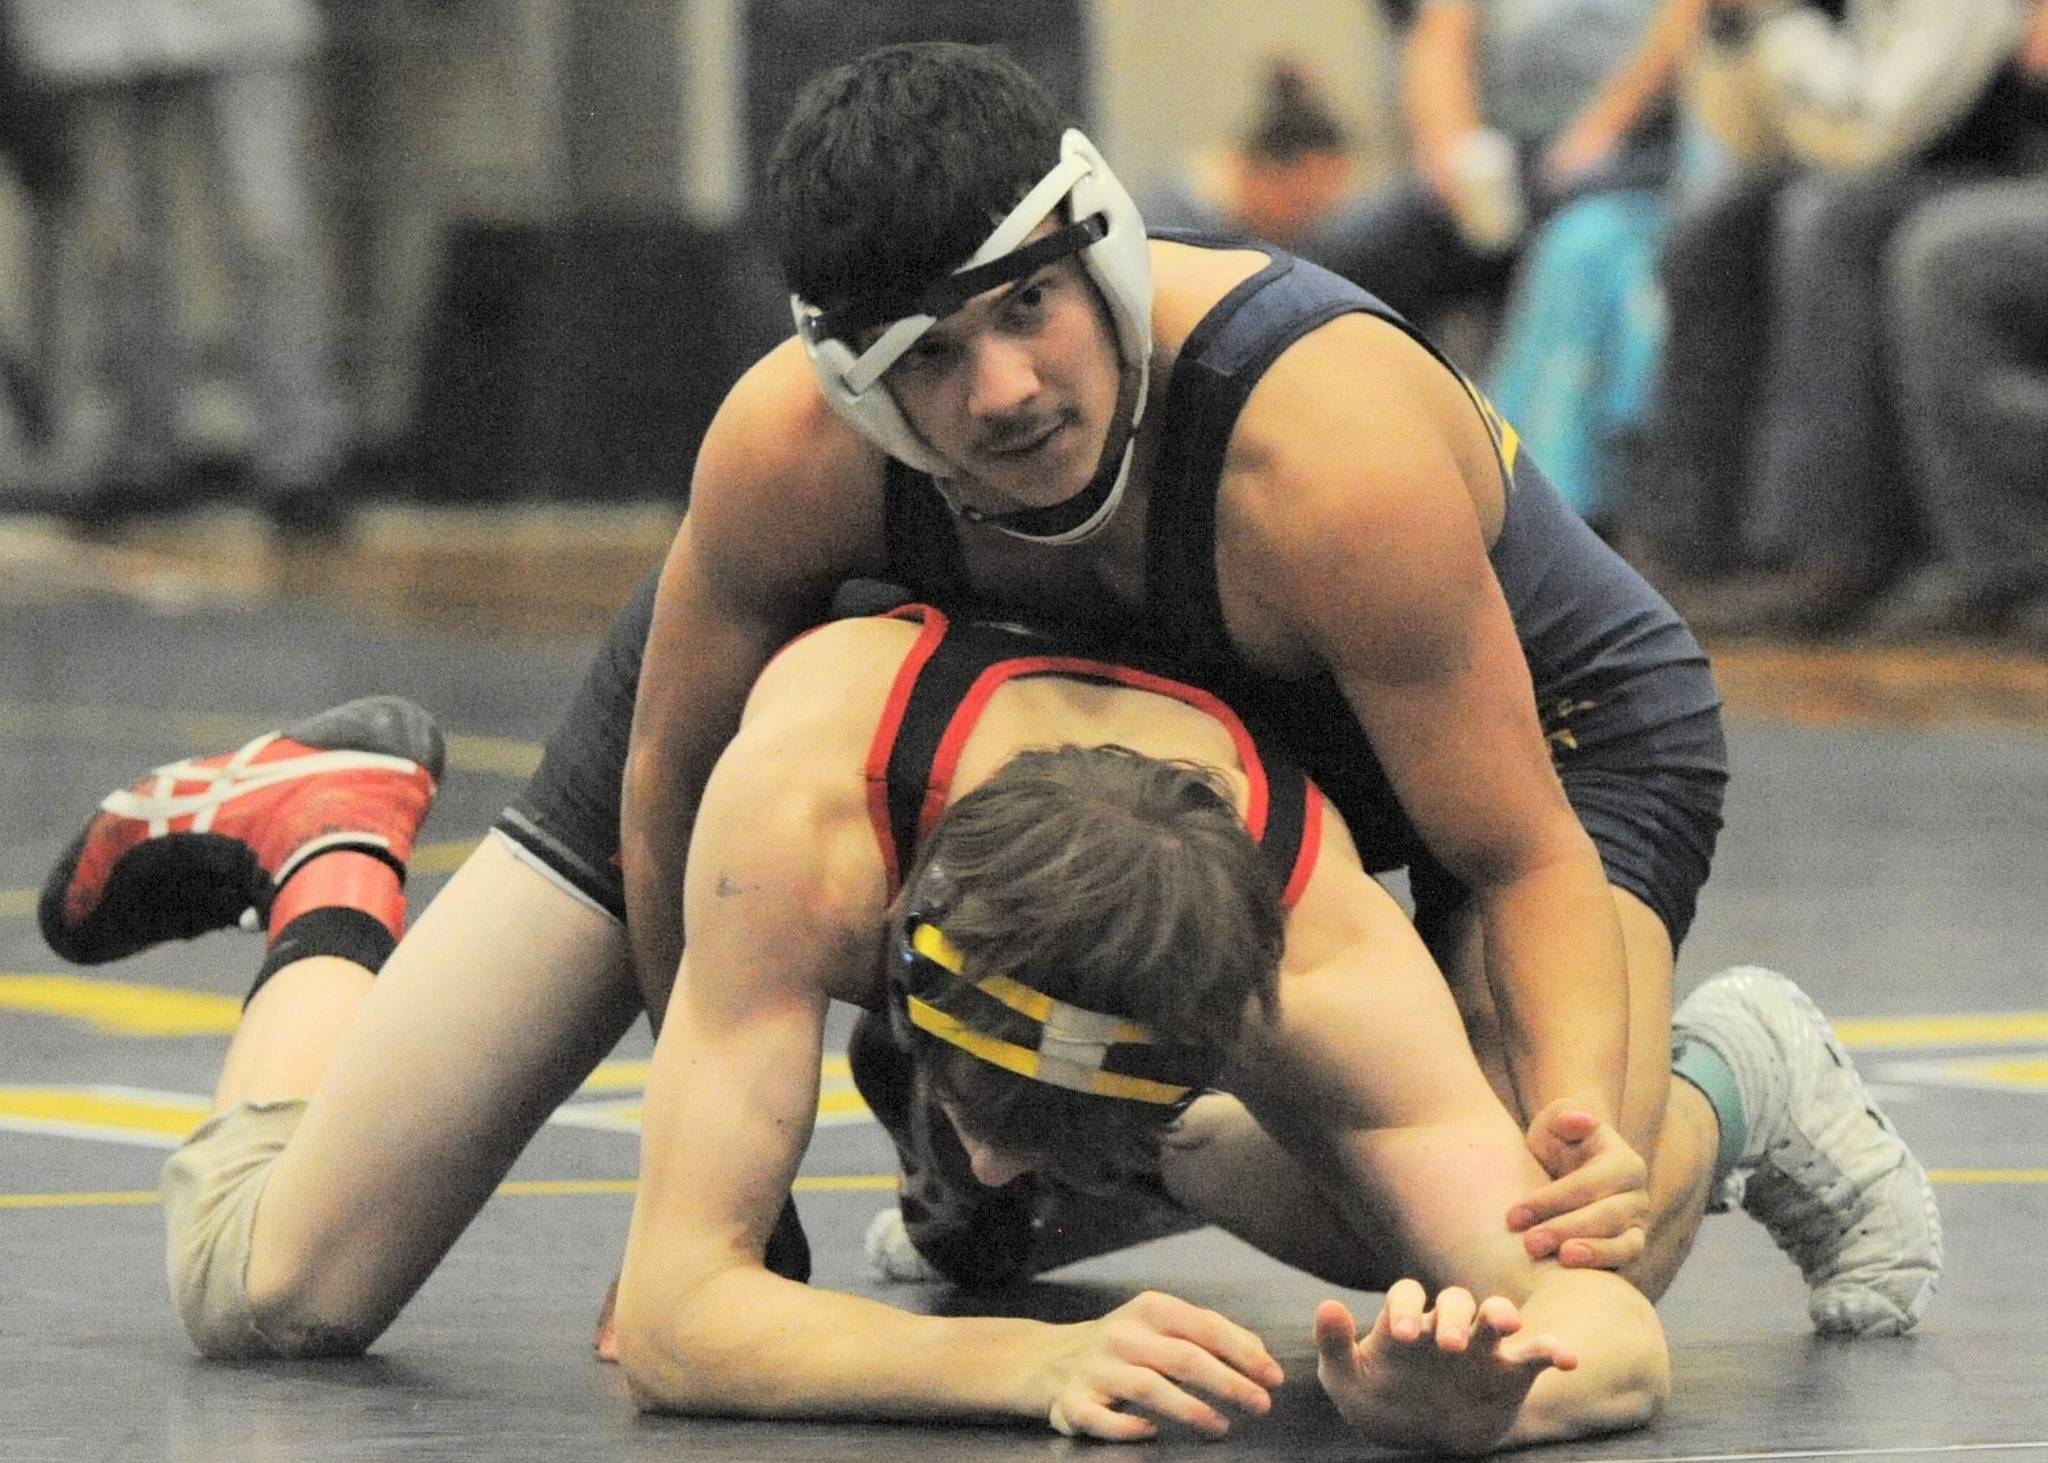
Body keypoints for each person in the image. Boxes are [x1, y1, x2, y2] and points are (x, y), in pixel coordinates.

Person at [41, 609, 1939, 1448]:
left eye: (1074, 1119)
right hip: (706, 753)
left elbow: (1598, 1329)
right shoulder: (802, 836)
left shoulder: (1318, 944)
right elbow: (681, 1318)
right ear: (908, 962)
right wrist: (1034, 1367)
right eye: (984, 1102)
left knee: (1405, 1241)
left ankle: (1715, 1068)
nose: (1021, 1151)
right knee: (274, 1289)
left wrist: (1483, 1390)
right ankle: (325, 855)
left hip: (1153, 870)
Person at [617, 41, 1726, 1233]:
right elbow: (668, 783)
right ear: (852, 385)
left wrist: (1579, 1119)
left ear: (1102, 248)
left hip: (1558, 741)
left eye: (1027, 306)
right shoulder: (792, 456)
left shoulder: (1321, 453)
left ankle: (1735, 1079)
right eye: (928, 356)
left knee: (1534, 1226)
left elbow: (1518, 850)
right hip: (1241, 734)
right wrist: (726, 1194)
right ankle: (1077, 1152)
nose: (1003, 392)